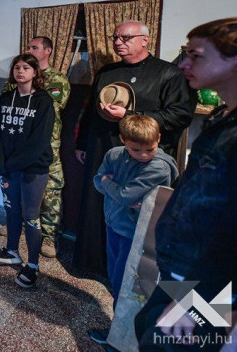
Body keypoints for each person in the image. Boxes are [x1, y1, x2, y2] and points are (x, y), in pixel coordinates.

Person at [135, 17, 237, 351]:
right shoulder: (222, 116)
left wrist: (201, 301)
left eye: (197, 55)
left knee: (168, 344)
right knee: (148, 328)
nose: (183, 64)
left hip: (210, 281)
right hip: (185, 266)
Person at [75, 20, 195, 276]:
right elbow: (91, 112)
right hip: (103, 148)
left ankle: (130, 277)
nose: (118, 42)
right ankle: (94, 265)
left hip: (142, 158)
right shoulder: (106, 72)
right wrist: (82, 142)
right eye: (116, 38)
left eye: (126, 38)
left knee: (134, 211)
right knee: (97, 204)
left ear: (145, 40)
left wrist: (130, 115)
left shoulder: (169, 74)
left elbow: (180, 116)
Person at [87, 114, 177, 345]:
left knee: (127, 286)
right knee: (116, 279)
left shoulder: (159, 167)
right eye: (136, 150)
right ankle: (121, 331)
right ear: (123, 140)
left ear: (158, 139)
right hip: (114, 225)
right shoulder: (114, 154)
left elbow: (124, 195)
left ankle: (119, 337)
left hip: (137, 235)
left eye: (150, 149)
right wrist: (110, 186)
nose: (144, 155)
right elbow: (96, 180)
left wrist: (108, 183)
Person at [0, 36, 70, 260]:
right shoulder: (15, 78)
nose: (29, 50)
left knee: (50, 190)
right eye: (28, 47)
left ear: (48, 51)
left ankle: (48, 236)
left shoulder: (57, 79)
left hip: (47, 143)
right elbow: (7, 101)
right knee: (16, 188)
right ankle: (16, 225)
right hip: (16, 141)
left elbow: (53, 107)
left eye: (34, 47)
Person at [0, 53, 55, 289]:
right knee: (11, 211)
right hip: (8, 168)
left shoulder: (43, 102)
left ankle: (33, 265)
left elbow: (39, 142)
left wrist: (13, 164)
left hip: (32, 169)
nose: (20, 71)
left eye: (26, 67)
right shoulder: (5, 98)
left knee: (30, 216)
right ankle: (12, 252)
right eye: (17, 67)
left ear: (35, 72)